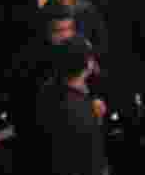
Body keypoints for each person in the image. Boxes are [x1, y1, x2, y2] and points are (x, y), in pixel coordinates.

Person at [35, 36, 109, 175]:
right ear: (88, 64)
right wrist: (96, 118)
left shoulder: (47, 90)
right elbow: (93, 161)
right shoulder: (81, 112)